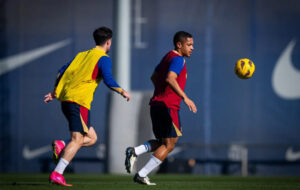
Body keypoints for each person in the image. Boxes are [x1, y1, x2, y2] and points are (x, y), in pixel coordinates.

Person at [44, 26, 130, 186]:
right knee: (77, 140)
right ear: (109, 42)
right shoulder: (103, 58)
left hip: (67, 101)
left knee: (91, 138)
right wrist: (122, 91)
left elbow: (60, 72)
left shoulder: (82, 55)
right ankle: (57, 173)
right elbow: (109, 80)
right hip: (79, 103)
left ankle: (62, 144)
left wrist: (55, 92)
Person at [125, 31, 197, 185]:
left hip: (157, 104)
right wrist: (185, 98)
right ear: (179, 45)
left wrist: (162, 92)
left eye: (192, 45)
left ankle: (135, 152)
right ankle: (142, 174)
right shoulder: (178, 59)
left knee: (162, 141)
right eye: (189, 45)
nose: (192, 48)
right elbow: (170, 78)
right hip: (168, 106)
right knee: (169, 144)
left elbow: (154, 77)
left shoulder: (167, 56)